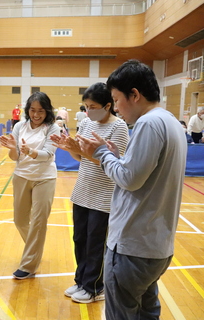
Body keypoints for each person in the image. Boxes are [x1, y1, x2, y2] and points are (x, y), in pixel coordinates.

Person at [77, 60, 187, 319]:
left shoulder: (148, 123)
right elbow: (140, 172)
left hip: (133, 246)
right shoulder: (170, 121)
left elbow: (129, 179)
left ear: (134, 95)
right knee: (147, 313)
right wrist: (116, 157)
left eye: (116, 100)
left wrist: (101, 152)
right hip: (156, 246)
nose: (116, 108)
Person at [51, 82, 129, 303]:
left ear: (107, 105)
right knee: (80, 239)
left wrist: (81, 151)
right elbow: (80, 158)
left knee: (95, 242)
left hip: (103, 195)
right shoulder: (85, 123)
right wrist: (71, 149)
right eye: (85, 106)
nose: (88, 111)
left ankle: (95, 287)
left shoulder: (119, 127)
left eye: (93, 106)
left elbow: (113, 162)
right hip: (82, 191)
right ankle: (81, 281)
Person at [0, 92, 60, 279]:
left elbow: (48, 154)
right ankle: (34, 250)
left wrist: (30, 151)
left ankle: (28, 265)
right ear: (27, 110)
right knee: (20, 220)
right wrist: (13, 148)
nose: (36, 114)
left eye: (40, 111)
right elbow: (15, 157)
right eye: (33, 110)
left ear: (47, 111)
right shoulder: (19, 126)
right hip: (21, 176)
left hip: (45, 177)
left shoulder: (53, 128)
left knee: (39, 222)